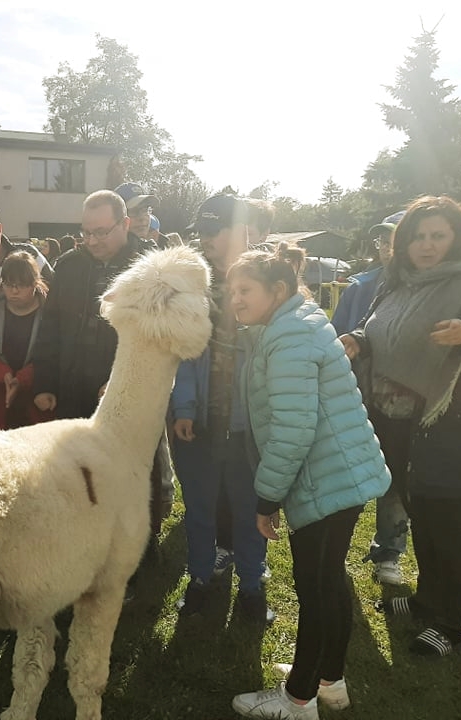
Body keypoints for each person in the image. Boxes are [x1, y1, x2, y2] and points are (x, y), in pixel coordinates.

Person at [341, 196, 461, 658]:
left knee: (451, 526)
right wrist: (358, 341)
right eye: (418, 237)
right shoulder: (397, 283)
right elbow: (378, 328)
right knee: (422, 517)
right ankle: (426, 602)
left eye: (437, 235)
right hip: (400, 425)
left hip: (454, 428)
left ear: (457, 237)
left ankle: (450, 627)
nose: (426, 245)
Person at [229, 245, 390, 720]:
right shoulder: (292, 323)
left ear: (276, 291)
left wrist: (267, 498)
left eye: (245, 290)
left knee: (316, 587)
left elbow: (293, 429)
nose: (234, 299)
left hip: (327, 477)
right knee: (328, 580)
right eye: (231, 290)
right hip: (341, 472)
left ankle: (298, 700)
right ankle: (330, 681)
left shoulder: (289, 338)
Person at [33, 190, 173, 542]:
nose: (92, 241)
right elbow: (50, 329)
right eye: (86, 232)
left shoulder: (153, 268)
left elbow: (161, 338)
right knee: (79, 464)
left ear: (125, 224)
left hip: (130, 389)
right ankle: (82, 537)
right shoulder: (69, 266)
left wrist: (127, 383)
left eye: (101, 232)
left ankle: (141, 543)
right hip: (74, 384)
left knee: (136, 470)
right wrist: (45, 383)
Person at [171, 193, 271, 621]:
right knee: (200, 508)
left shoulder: (269, 282)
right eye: (202, 230)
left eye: (214, 229)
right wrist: (186, 408)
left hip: (250, 429)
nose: (205, 239)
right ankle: (199, 580)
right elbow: (188, 353)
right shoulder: (195, 285)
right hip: (203, 427)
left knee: (250, 513)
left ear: (240, 231)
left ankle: (252, 589)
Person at [330, 209, 408, 587]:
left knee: (394, 478)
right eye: (380, 239)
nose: (384, 247)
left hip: (402, 402)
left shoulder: (424, 289)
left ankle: (388, 553)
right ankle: (336, 549)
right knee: (348, 473)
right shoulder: (359, 287)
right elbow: (337, 333)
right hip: (356, 398)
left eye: (392, 239)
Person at [0, 251, 54, 432]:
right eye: (9, 285)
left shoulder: (50, 310)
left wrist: (22, 379)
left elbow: (52, 353)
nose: (14, 291)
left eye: (22, 285)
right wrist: (4, 376)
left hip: (37, 395)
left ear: (35, 282)